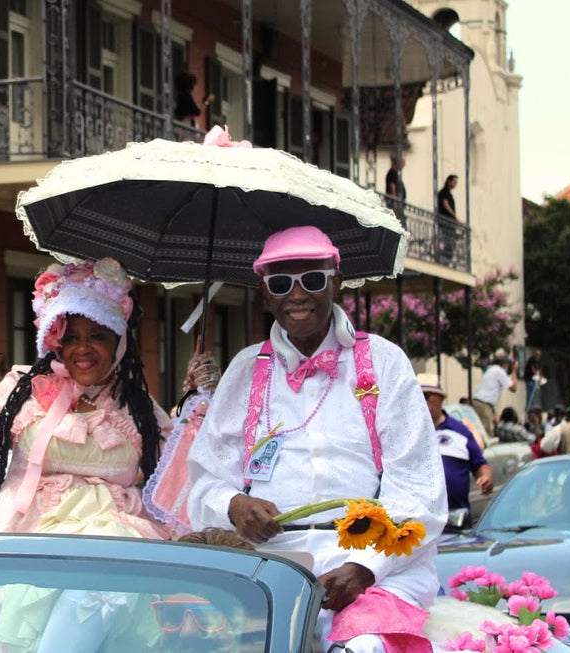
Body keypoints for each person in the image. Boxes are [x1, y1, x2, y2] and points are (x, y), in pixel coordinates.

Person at [187, 226, 446, 653]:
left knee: (363, 648)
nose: (298, 295)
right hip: (266, 564)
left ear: (336, 282)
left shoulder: (383, 361)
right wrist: (234, 505)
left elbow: (419, 489)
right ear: (264, 294)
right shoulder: (245, 370)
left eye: (312, 279)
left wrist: (364, 566)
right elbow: (204, 483)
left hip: (374, 567)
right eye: (281, 283)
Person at [0, 257, 168, 537]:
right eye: (70, 338)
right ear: (55, 342)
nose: (82, 349)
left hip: (113, 546)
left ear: (118, 342)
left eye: (97, 336)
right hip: (23, 539)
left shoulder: (138, 406)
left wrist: (200, 402)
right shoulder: (23, 390)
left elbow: (182, 472)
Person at [420, 374, 492, 518]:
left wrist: (486, 478)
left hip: (454, 519)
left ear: (440, 399)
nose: (419, 400)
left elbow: (480, 465)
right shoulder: (408, 433)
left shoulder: (460, 432)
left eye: (425, 395)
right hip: (419, 520)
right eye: (416, 395)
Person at [472, 356, 517, 438]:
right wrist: (514, 371)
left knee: (485, 431)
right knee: (488, 433)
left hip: (482, 403)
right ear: (505, 364)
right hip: (483, 404)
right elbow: (513, 388)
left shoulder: (492, 369)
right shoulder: (499, 371)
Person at [437, 175, 460, 260]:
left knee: (451, 242)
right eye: (454, 182)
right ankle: (445, 256)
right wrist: (455, 217)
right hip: (445, 221)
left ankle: (447, 256)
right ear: (448, 181)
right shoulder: (444, 192)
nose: (455, 184)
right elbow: (446, 205)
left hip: (449, 221)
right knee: (448, 241)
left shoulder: (448, 193)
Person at [385, 151, 407, 221]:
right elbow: (393, 188)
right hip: (395, 206)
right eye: (402, 163)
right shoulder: (392, 173)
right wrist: (395, 203)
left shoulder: (394, 173)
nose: (403, 165)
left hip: (397, 205)